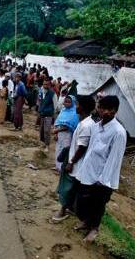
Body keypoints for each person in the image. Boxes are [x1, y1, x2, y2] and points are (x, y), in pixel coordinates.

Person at [75, 95, 126, 242]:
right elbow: (90, 150)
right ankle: (86, 222)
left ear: (113, 111)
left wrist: (103, 181)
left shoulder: (118, 132)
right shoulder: (97, 127)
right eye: (100, 107)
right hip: (88, 172)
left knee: (98, 205)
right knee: (85, 202)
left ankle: (94, 229)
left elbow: (114, 160)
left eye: (104, 109)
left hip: (102, 178)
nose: (100, 110)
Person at [53, 95, 96, 223]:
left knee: (68, 187)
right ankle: (71, 208)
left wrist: (71, 162)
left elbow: (82, 147)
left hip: (76, 163)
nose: (76, 107)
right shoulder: (83, 122)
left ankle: (63, 210)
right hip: (74, 159)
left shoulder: (86, 125)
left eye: (77, 105)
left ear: (83, 108)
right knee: (72, 187)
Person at [53, 96, 79, 172]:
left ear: (73, 103)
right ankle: (57, 166)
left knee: (65, 150)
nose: (66, 103)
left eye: (69, 102)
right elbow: (57, 122)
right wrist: (56, 134)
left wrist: (57, 131)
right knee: (58, 149)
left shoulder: (74, 113)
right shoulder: (63, 111)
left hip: (67, 134)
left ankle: (62, 168)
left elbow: (69, 126)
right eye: (65, 101)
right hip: (59, 133)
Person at [38, 81, 56, 152]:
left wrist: (52, 114)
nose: (45, 86)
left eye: (46, 84)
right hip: (42, 113)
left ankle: (47, 146)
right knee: (42, 130)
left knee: (47, 130)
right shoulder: (42, 92)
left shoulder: (52, 94)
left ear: (49, 85)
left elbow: (55, 105)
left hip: (48, 114)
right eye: (44, 84)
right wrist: (40, 110)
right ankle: (44, 143)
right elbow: (41, 102)